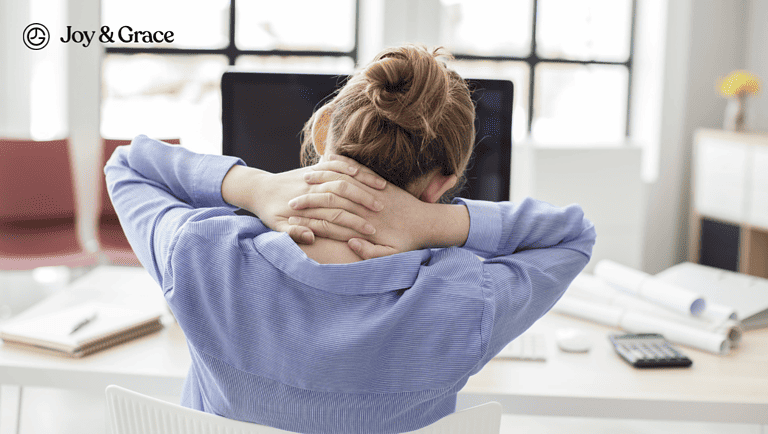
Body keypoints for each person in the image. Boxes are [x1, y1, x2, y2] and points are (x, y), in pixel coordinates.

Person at [105, 44, 596, 434]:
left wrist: (255, 186)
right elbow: (572, 235)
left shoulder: (201, 254)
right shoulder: (467, 300)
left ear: (322, 133)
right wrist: (431, 222)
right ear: (442, 183)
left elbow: (129, 166)